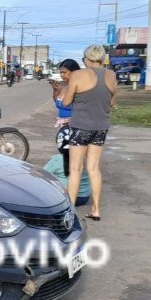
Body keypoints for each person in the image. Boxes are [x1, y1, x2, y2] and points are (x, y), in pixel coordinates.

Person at [61, 44, 117, 220]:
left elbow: (66, 102)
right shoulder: (111, 75)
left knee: (75, 168)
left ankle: (70, 212)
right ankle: (96, 209)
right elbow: (112, 103)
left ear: (86, 59)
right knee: (93, 168)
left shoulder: (78, 75)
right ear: (101, 59)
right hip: (101, 127)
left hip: (80, 127)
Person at [50, 59, 80, 128]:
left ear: (74, 72)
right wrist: (55, 90)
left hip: (75, 125)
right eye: (60, 73)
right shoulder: (62, 85)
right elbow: (57, 102)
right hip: (62, 125)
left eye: (64, 72)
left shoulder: (79, 87)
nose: (62, 75)